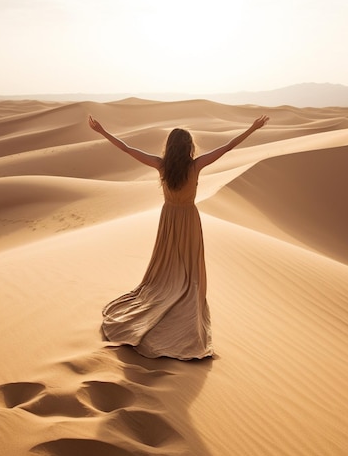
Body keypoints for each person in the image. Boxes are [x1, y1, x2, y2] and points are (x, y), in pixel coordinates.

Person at [88, 114, 269, 360]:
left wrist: (102, 131)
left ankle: (169, 291)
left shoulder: (161, 165)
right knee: (188, 267)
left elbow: (127, 149)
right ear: (189, 147)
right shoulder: (196, 166)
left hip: (169, 218)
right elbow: (227, 148)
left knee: (167, 263)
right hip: (189, 219)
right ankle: (182, 297)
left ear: (170, 147)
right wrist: (252, 128)